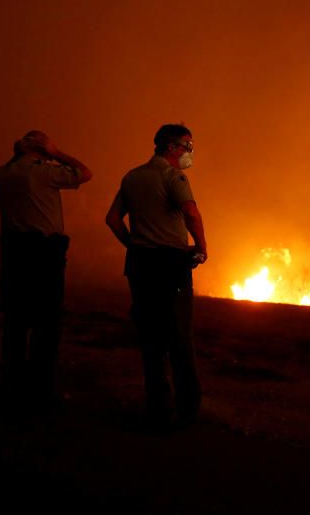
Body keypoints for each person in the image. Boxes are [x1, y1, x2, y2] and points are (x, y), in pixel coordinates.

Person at [105, 124, 207, 429]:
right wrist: (201, 246)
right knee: (179, 339)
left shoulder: (132, 177)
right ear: (172, 147)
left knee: (151, 340)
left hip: (139, 265)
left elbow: (112, 219)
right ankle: (188, 410)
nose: (190, 152)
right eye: (187, 146)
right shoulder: (173, 177)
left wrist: (134, 245)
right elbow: (190, 212)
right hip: (171, 266)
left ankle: (157, 408)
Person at [0, 130, 92, 409]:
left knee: (15, 320)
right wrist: (57, 153)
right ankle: (40, 390)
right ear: (41, 150)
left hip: (13, 251)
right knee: (46, 323)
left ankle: (13, 385)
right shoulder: (43, 173)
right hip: (43, 254)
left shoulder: (1, 174)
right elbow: (85, 173)